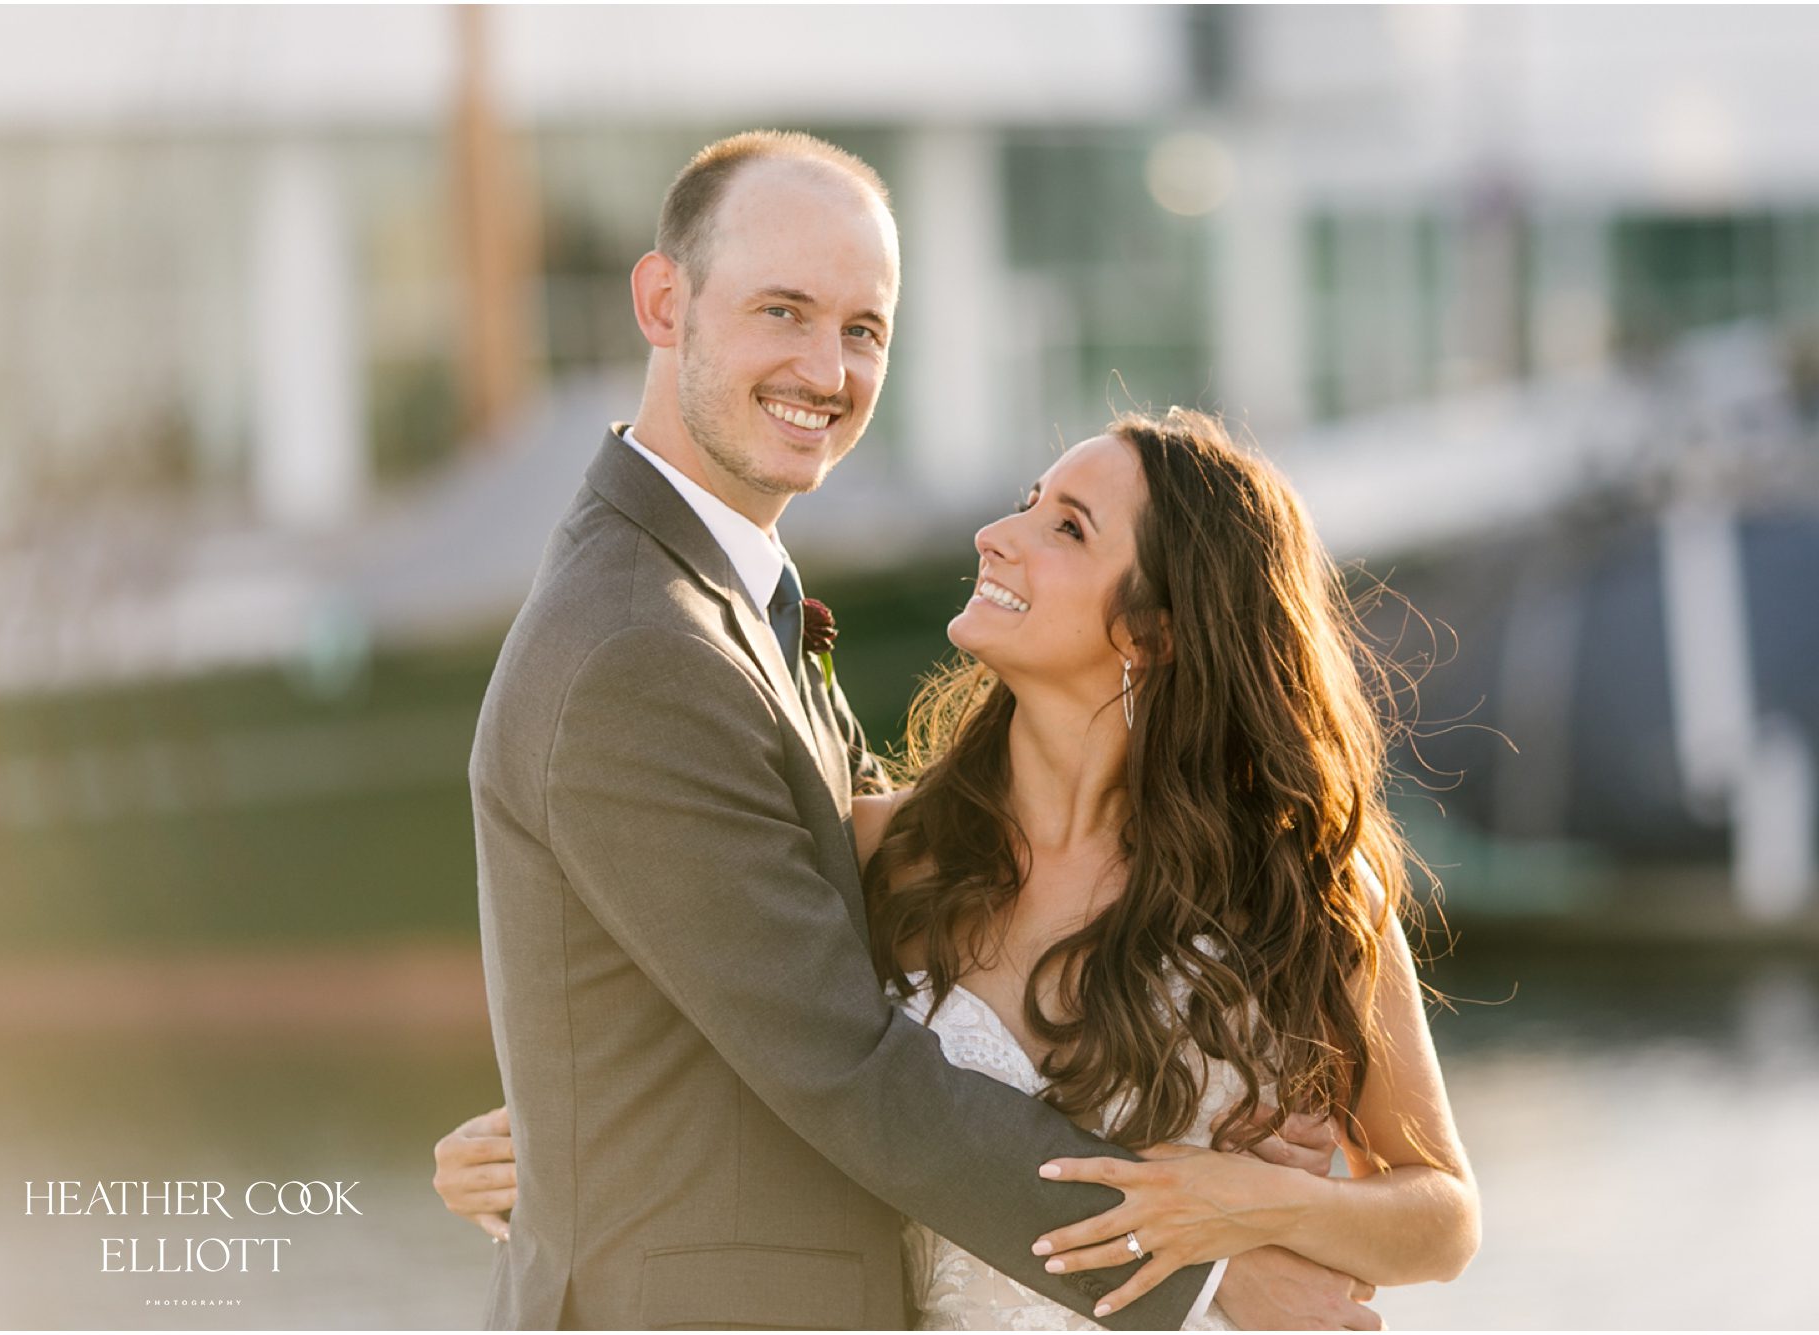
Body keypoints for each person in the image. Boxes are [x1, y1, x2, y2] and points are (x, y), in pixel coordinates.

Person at [463, 127, 1378, 1331]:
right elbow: (842, 1062)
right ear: (661, 301)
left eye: (862, 329)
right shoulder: (642, 644)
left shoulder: (735, 603)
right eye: (781, 311)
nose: (825, 369)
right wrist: (1199, 1271)